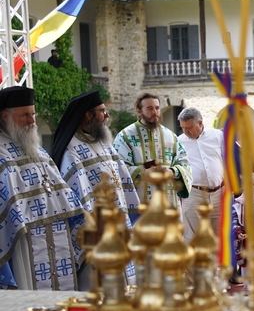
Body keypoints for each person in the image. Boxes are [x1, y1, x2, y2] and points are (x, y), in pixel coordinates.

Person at [0, 86, 84, 290]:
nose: (31, 120)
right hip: (23, 241)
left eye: (33, 114)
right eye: (25, 115)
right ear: (4, 116)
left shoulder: (37, 149)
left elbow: (60, 189)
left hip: (56, 233)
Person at [53, 90, 139, 286]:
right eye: (102, 111)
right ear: (87, 115)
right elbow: (78, 195)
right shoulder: (72, 150)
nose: (107, 115)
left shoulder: (102, 142)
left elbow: (123, 179)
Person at [114, 91, 191, 209]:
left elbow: (184, 164)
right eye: (149, 108)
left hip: (168, 203)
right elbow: (116, 168)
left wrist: (172, 171)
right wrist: (143, 173)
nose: (155, 112)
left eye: (157, 108)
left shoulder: (170, 136)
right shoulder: (125, 137)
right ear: (139, 111)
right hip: (139, 203)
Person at [177, 107, 224, 242]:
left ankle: (216, 264)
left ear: (200, 123)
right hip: (193, 193)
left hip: (218, 193)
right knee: (193, 237)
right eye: (183, 128)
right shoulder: (179, 142)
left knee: (218, 235)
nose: (186, 131)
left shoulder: (218, 136)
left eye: (189, 127)